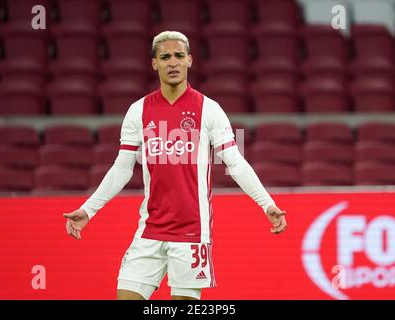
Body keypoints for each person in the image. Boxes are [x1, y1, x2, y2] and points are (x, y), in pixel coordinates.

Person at [63, 31, 287, 300]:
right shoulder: (138, 110)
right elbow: (122, 168)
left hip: (192, 232)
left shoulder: (210, 109)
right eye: (165, 57)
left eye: (179, 56)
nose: (173, 62)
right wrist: (89, 209)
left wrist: (267, 204)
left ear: (190, 60)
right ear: (154, 63)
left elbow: (235, 163)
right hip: (149, 229)